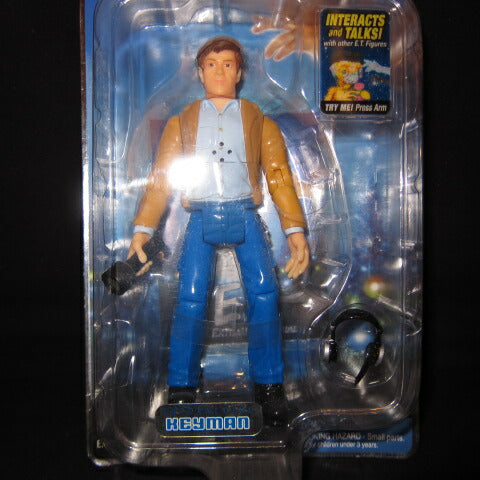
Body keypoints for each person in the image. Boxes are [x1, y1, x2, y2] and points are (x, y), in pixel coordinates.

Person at [129, 37, 309, 426]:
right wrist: (143, 229)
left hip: (244, 214)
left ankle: (269, 385)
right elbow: (161, 179)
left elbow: (279, 176)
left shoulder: (260, 120)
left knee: (265, 293)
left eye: (228, 64)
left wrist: (294, 229)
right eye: (212, 65)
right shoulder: (181, 122)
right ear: (199, 72)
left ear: (239, 72)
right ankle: (181, 385)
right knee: (190, 297)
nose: (220, 72)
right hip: (202, 216)